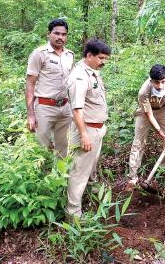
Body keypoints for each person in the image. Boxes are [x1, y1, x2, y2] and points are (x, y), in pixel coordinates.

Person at [65, 38, 111, 219]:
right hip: (87, 130)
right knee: (79, 174)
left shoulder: (92, 72)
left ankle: (91, 201)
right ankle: (73, 215)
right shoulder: (79, 77)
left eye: (105, 58)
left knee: (90, 169)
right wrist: (84, 135)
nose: (103, 62)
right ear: (89, 55)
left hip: (96, 130)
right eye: (101, 58)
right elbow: (77, 109)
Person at [25, 19, 74, 158]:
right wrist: (31, 114)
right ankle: (41, 178)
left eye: (64, 34)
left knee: (63, 147)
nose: (60, 37)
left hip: (65, 107)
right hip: (44, 108)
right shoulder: (39, 54)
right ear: (49, 34)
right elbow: (30, 83)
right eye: (56, 33)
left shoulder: (69, 55)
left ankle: (59, 177)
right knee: (42, 148)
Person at [127, 64, 165, 187]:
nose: (160, 86)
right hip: (145, 113)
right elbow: (149, 115)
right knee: (138, 143)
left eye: (163, 82)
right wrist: (162, 136)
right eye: (156, 82)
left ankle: (162, 173)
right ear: (151, 81)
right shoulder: (143, 92)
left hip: (164, 110)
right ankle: (133, 176)